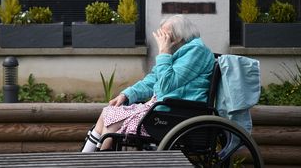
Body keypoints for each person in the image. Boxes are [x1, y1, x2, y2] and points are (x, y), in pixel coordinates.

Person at [81, 14, 215, 152]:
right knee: (108, 112)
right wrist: (126, 95)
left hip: (176, 113)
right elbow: (152, 80)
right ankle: (85, 159)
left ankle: (99, 159)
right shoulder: (178, 52)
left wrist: (164, 53)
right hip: (163, 109)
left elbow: (166, 85)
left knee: (111, 124)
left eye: (165, 35)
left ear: (179, 37)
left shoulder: (196, 51)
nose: (161, 39)